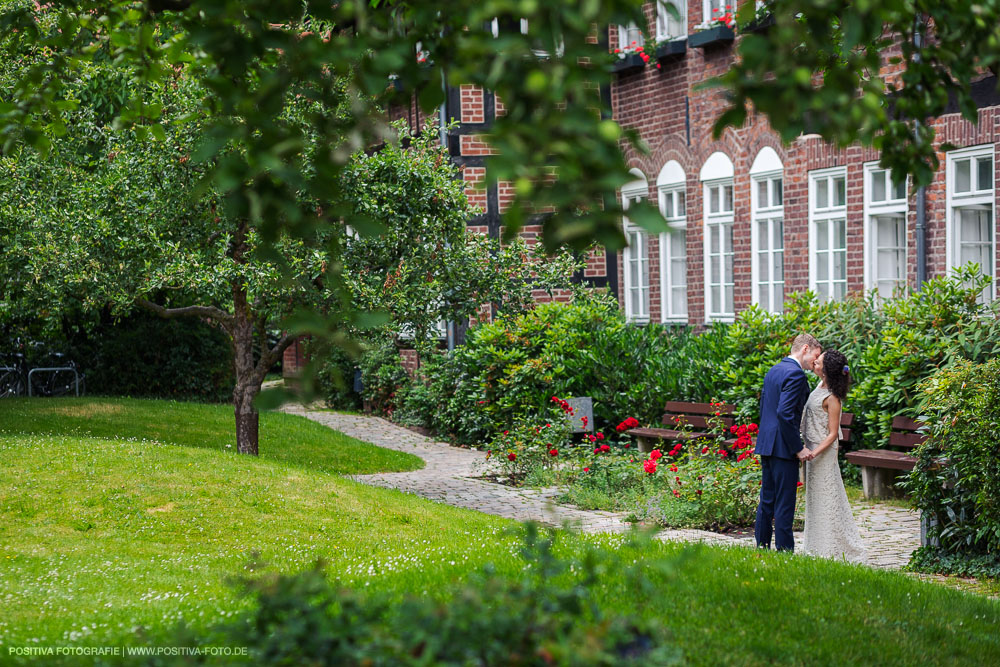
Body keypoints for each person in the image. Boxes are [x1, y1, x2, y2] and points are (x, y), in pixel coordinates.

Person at [754, 333, 822, 551]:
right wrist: (798, 448)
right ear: (804, 349)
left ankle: (762, 546)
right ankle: (784, 551)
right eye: (815, 355)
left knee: (767, 500)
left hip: (767, 443)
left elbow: (767, 409)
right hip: (783, 447)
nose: (815, 361)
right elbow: (785, 414)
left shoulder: (774, 370)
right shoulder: (796, 375)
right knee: (784, 503)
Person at [801, 349, 867, 562]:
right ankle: (816, 545)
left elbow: (832, 434)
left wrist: (814, 453)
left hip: (822, 455)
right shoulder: (819, 386)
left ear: (827, 370)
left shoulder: (832, 398)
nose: (814, 363)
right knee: (815, 499)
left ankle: (832, 548)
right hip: (811, 452)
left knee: (827, 498)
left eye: (818, 362)